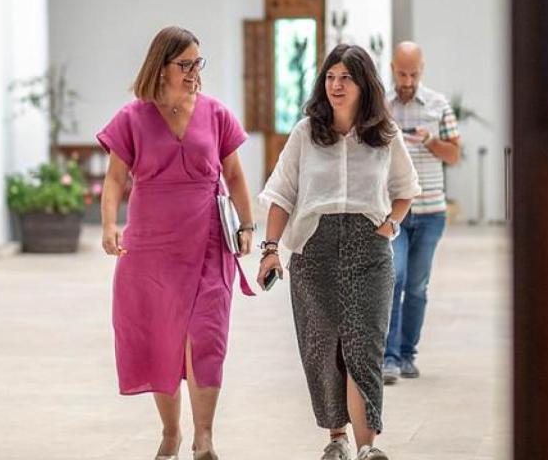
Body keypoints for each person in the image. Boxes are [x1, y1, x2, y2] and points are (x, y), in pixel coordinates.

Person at [97, 26, 256, 460]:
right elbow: (115, 179)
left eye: (197, 63)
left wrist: (246, 225)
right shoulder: (132, 118)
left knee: (206, 336)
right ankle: (171, 432)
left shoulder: (216, 113)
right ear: (161, 66)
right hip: (150, 248)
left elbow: (236, 175)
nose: (192, 72)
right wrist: (110, 225)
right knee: (160, 339)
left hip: (206, 240)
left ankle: (204, 437)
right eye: (184, 64)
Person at [257, 44, 420, 460]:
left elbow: (406, 188)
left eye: (345, 77)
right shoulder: (306, 133)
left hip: (370, 248)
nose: (336, 85)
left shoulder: (385, 135)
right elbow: (281, 194)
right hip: (315, 247)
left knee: (364, 346)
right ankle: (336, 439)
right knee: (324, 348)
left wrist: (390, 224)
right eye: (330, 77)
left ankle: (367, 447)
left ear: (363, 83)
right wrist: (271, 249)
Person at [381, 41, 462, 385]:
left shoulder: (438, 105)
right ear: (392, 69)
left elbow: (454, 155)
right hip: (394, 210)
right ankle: (389, 357)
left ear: (422, 70)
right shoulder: (381, 106)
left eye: (414, 73)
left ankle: (408, 353)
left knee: (416, 285)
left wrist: (429, 140)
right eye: (402, 73)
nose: (408, 80)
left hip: (430, 212)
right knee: (394, 278)